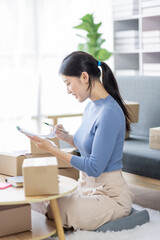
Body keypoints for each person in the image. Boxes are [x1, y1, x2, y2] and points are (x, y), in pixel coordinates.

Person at [29, 51, 133, 231]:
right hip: (86, 188)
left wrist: (52, 149)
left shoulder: (109, 113)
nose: (67, 90)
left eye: (68, 83)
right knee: (38, 196)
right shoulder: (92, 106)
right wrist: (65, 137)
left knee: (58, 207)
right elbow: (89, 146)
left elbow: (94, 166)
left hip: (109, 195)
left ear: (84, 77)